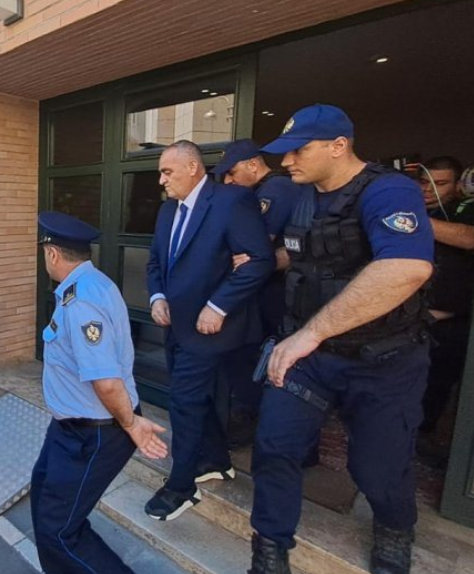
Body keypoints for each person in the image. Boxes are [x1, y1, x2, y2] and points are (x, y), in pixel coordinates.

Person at [250, 104, 434, 574]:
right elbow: (305, 255)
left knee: (378, 466)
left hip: (382, 359)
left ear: (339, 146)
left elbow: (406, 268)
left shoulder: (388, 191)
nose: (286, 161)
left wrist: (309, 333)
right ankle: (269, 549)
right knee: (274, 447)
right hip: (310, 357)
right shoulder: (300, 196)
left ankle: (394, 528)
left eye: (299, 150)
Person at [31, 211, 168, 574]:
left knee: (59, 531)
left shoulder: (82, 302)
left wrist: (131, 424)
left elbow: (106, 381)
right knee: (45, 501)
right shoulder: (91, 283)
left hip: (92, 434)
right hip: (69, 428)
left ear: (52, 253)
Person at [144, 141, 274, 521]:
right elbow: (156, 262)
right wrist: (156, 297)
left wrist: (218, 306)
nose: (161, 180)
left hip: (214, 327)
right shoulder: (167, 211)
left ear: (193, 168)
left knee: (183, 403)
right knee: (195, 399)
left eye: (167, 172)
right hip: (175, 325)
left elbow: (259, 261)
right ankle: (215, 460)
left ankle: (181, 486)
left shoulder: (231, 201)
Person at [211, 139, 311, 449]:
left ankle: (258, 425)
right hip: (270, 289)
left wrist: (246, 257)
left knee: (267, 360)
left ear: (253, 165)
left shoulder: (276, 189)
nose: (228, 181)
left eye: (232, 173)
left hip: (280, 293)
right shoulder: (259, 191)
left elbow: (256, 247)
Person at [418, 156, 474, 435]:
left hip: (451, 323)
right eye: (424, 182)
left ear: (458, 186)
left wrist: (409, 219)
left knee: (436, 387)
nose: (428, 189)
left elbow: (468, 237)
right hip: (411, 318)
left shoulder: (464, 210)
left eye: (440, 184)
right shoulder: (418, 209)